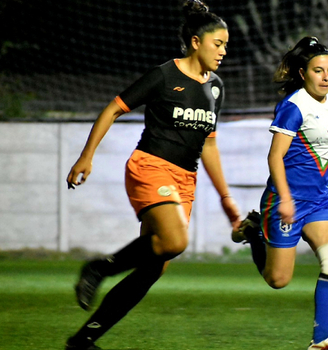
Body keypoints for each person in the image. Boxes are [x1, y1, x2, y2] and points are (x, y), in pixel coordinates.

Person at [64, 1, 240, 349]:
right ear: (195, 41)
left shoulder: (216, 87)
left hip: (184, 180)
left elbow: (209, 145)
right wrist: (87, 157)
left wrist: (225, 197)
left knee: (152, 268)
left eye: (225, 46)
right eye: (217, 44)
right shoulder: (164, 75)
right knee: (175, 242)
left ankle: (83, 340)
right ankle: (101, 267)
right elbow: (114, 108)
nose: (222, 51)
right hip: (150, 166)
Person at [233, 36, 328, 350]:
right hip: (285, 201)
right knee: (278, 280)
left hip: (322, 200)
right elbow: (275, 157)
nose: (326, 76)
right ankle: (254, 232)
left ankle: (322, 342)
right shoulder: (293, 106)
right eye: (319, 70)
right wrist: (285, 198)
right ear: (302, 73)